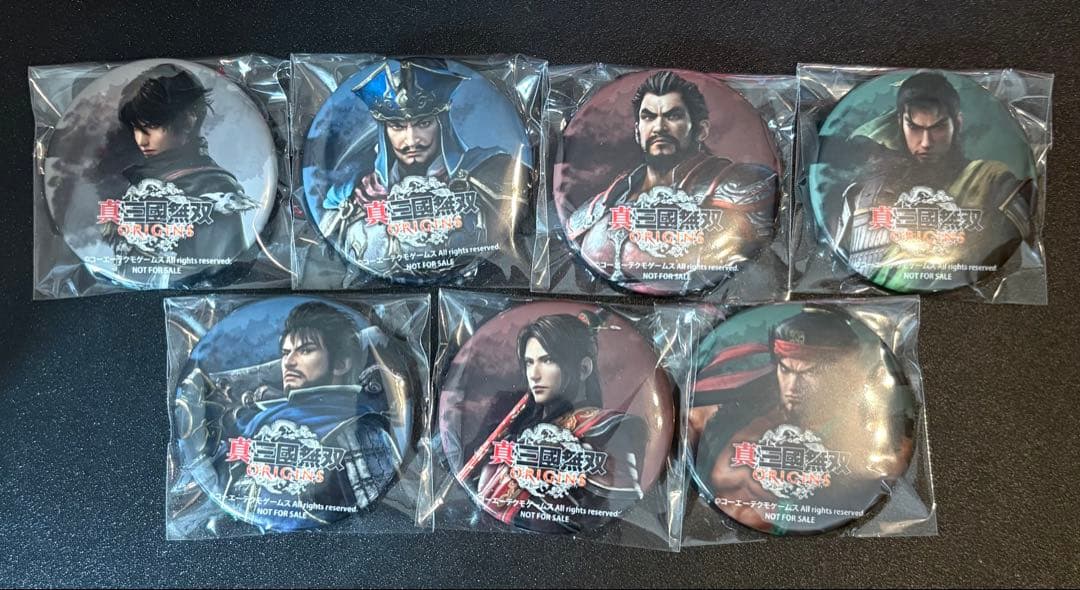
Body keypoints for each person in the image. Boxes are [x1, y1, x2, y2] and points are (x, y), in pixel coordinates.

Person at [693, 308, 914, 534]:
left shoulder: (871, 444)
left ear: (840, 375)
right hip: (708, 530)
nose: (792, 387)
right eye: (785, 369)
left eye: (809, 373)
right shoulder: (738, 416)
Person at [565, 70, 777, 291]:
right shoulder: (600, 205)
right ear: (638, 132)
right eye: (648, 117)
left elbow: (767, 275)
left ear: (701, 130)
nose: (659, 127)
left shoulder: (741, 187)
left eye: (673, 116)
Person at [317, 60, 528, 272]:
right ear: (384, 132)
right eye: (397, 126)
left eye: (424, 123)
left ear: (442, 124)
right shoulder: (357, 193)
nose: (411, 140)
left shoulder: (492, 170)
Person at [829, 71, 1033, 288]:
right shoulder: (866, 192)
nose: (926, 142)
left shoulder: (990, 179)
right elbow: (845, 257)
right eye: (914, 127)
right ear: (900, 124)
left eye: (938, 127)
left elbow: (1018, 246)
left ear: (957, 123)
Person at [223, 302, 405, 522]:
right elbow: (237, 499)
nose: (288, 362)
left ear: (341, 364)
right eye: (286, 353)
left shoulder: (361, 428)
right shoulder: (260, 422)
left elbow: (369, 509)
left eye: (305, 350)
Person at [475, 312, 646, 533]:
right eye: (529, 363)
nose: (534, 374)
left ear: (584, 369)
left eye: (548, 360)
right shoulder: (515, 432)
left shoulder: (609, 428)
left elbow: (616, 507)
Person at [110, 65, 256, 261]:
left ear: (188, 120)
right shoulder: (144, 178)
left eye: (151, 127)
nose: (141, 140)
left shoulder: (215, 188)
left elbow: (217, 263)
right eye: (136, 128)